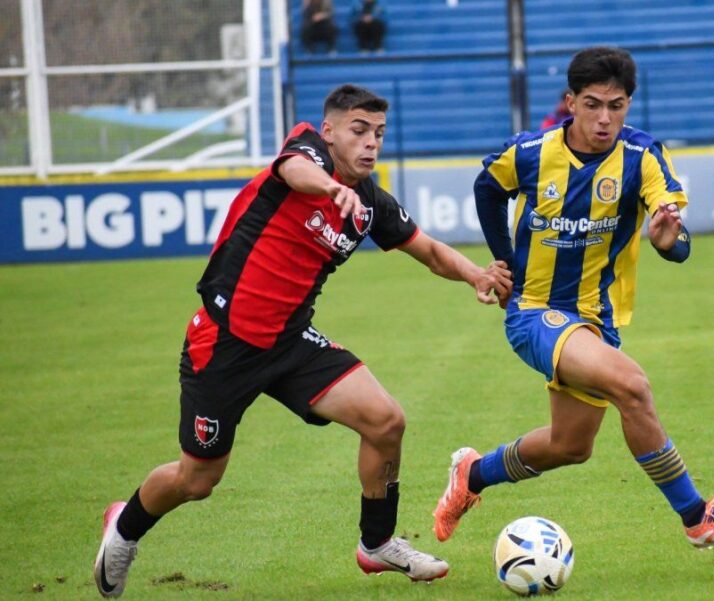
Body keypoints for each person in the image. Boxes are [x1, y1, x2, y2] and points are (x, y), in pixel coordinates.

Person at [92, 84, 513, 598]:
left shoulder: (370, 203)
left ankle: (376, 544)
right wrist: (329, 188)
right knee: (197, 480)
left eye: (379, 134)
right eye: (359, 131)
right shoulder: (306, 151)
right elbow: (294, 169)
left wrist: (476, 275)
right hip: (224, 343)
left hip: (291, 345)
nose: (370, 144)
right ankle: (125, 525)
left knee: (386, 421)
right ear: (330, 129)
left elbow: (425, 249)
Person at [432, 46, 714, 550]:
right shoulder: (531, 153)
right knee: (632, 385)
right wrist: (503, 263)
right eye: (592, 104)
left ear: (630, 104)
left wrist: (671, 242)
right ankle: (698, 517)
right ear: (571, 102)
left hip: (597, 321)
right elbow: (487, 186)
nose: (604, 118)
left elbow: (676, 235)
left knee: (570, 446)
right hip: (534, 313)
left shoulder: (643, 156)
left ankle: (472, 475)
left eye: (617, 105)